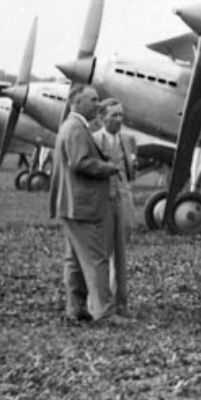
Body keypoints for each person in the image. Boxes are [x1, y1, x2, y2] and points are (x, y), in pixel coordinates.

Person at [49, 85, 124, 326]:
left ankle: (76, 308)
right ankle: (105, 312)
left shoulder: (70, 127)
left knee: (74, 260)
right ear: (76, 103)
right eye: (92, 100)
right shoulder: (77, 129)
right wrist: (109, 167)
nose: (98, 104)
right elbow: (80, 163)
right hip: (83, 206)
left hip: (71, 205)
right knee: (96, 258)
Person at [94, 99, 140, 317]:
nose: (119, 120)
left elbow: (131, 174)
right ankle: (101, 302)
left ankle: (121, 302)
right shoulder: (93, 140)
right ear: (102, 118)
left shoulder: (129, 140)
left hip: (122, 199)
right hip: (102, 202)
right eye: (114, 115)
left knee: (121, 254)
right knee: (102, 253)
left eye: (121, 115)